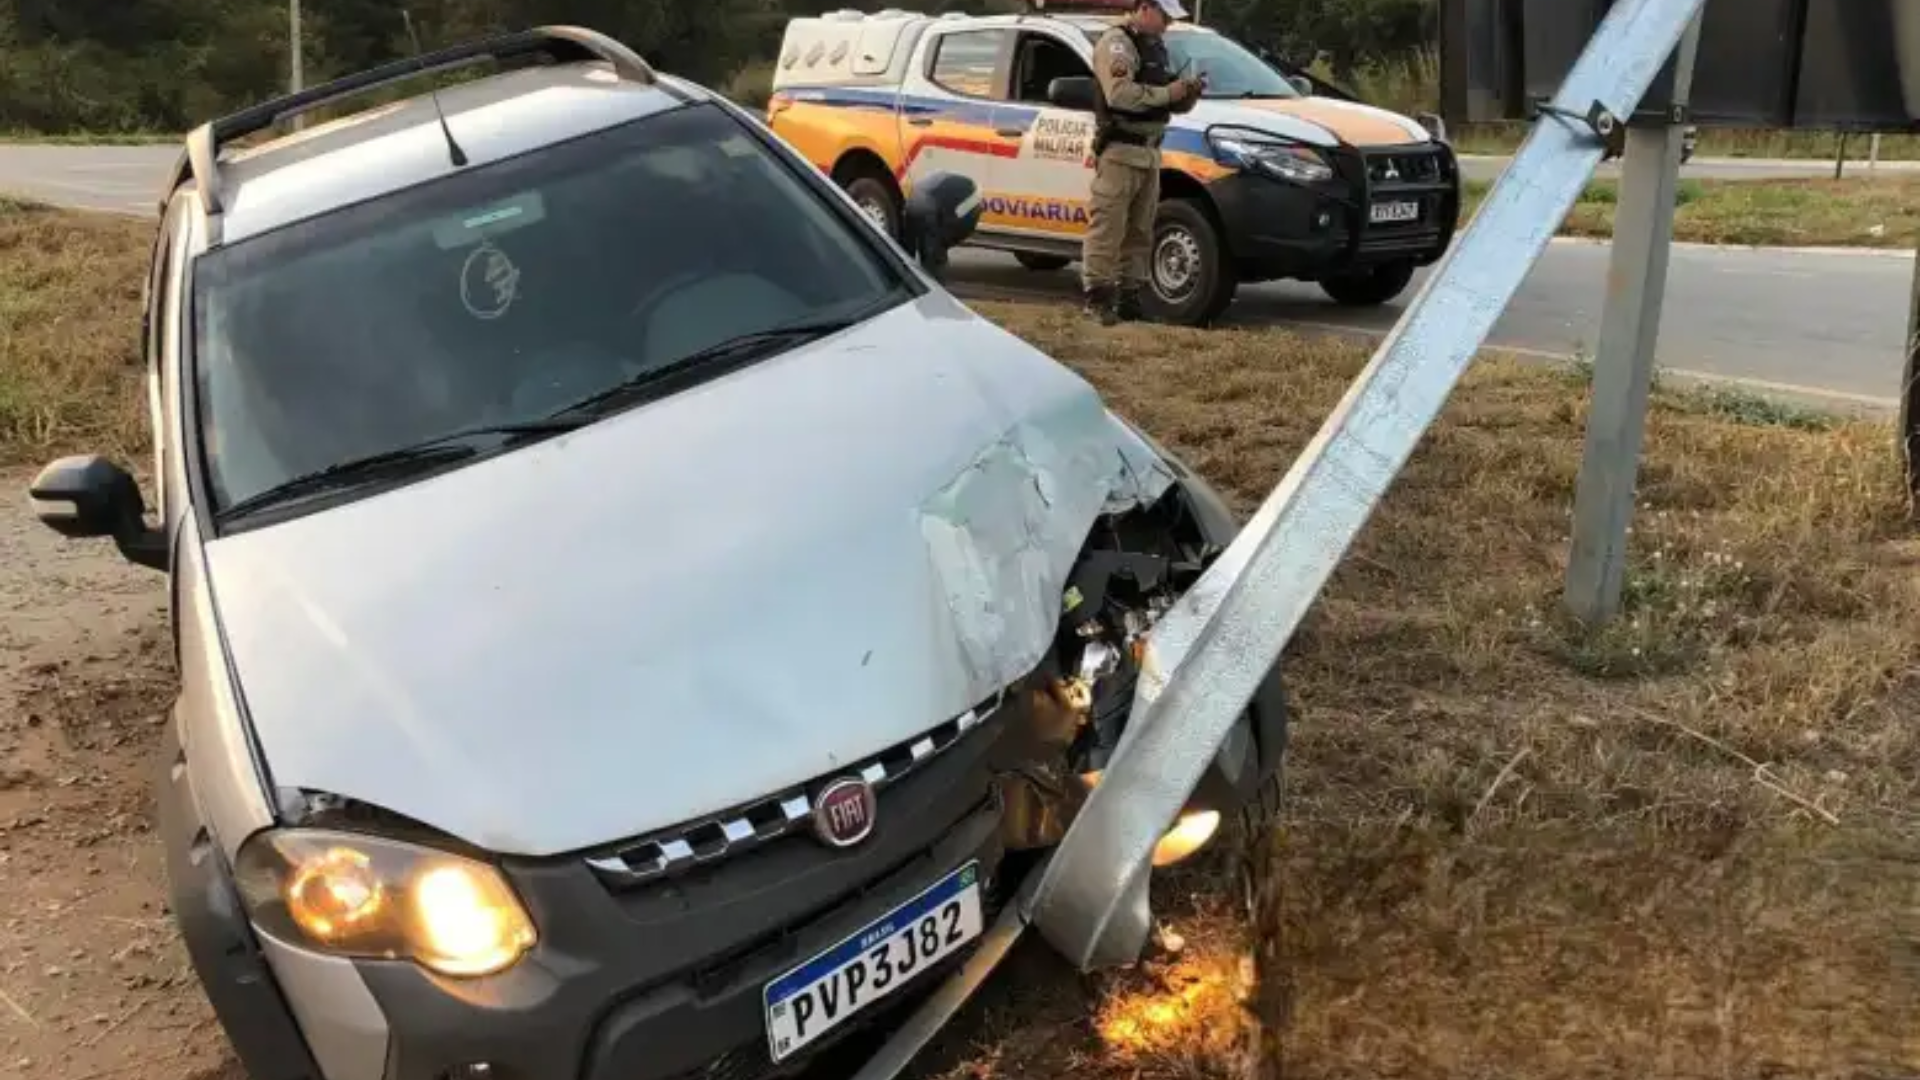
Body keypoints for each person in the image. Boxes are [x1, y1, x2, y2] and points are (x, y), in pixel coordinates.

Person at [1083, 0, 1204, 326]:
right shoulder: (1118, 44)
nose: (1167, 25)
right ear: (1146, 8)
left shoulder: (1154, 47)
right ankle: (1098, 298)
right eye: (1164, 17)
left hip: (1149, 151)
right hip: (1121, 149)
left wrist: (1187, 94)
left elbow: (1162, 98)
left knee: (1140, 232)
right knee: (1108, 228)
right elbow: (1120, 95)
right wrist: (1169, 94)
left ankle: (1130, 297)